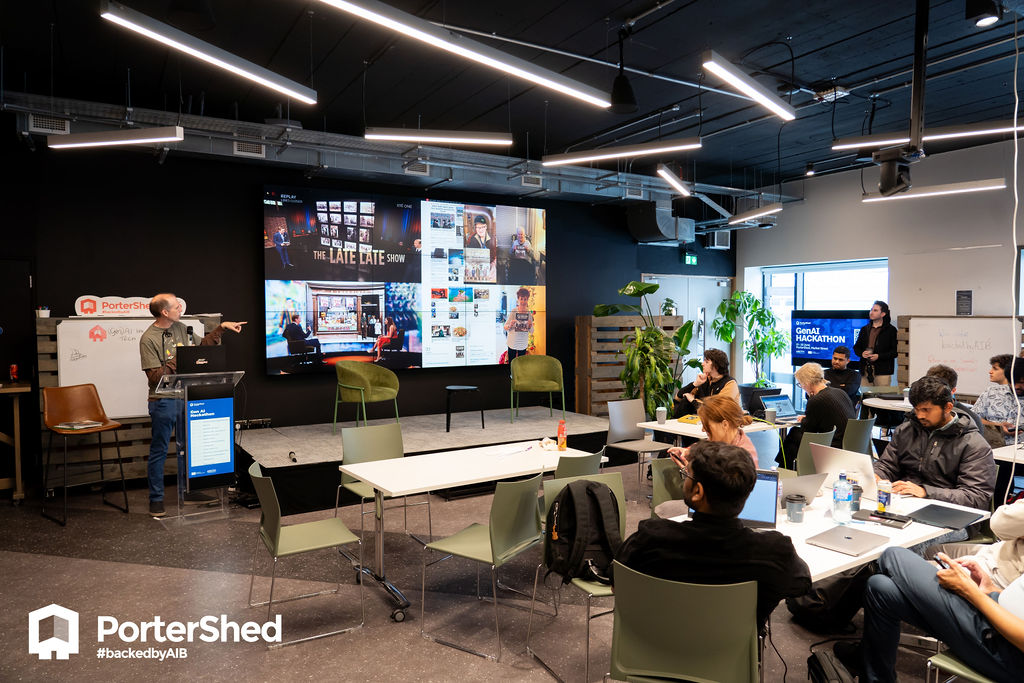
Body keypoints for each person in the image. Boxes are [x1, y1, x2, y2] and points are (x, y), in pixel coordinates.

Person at [615, 440, 811, 630]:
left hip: (652, 653)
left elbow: (617, 581)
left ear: (698, 491)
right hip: (733, 660)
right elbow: (801, 585)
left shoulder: (652, 538)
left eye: (687, 475)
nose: (685, 479)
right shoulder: (774, 552)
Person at [139, 293, 245, 517]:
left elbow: (203, 347)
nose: (181, 308)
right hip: (164, 402)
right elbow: (153, 377)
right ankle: (156, 500)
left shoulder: (181, 328)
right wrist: (179, 358)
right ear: (164, 312)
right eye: (176, 306)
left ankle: (188, 491)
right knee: (159, 450)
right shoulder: (148, 338)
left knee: (188, 449)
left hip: (188, 397)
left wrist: (221, 329)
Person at [855, 546, 1024, 682]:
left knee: (893, 555)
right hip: (997, 614)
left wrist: (971, 592)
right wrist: (992, 590)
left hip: (1004, 646)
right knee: (880, 588)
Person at [874, 375, 995, 512]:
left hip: (953, 516)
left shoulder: (974, 445)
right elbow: (887, 465)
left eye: (926, 410)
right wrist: (877, 475)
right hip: (906, 504)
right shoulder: (905, 431)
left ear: (948, 407)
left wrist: (926, 492)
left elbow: (976, 497)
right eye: (916, 409)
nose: (920, 416)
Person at [929, 497, 1024, 590]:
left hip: (1000, 575)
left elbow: (999, 522)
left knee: (917, 568)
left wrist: (927, 491)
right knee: (930, 550)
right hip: (999, 550)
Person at [782, 362, 853, 466]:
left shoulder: (816, 400)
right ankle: (787, 467)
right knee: (794, 440)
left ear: (807, 382)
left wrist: (804, 420)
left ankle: (784, 467)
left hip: (833, 445)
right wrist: (809, 417)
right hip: (849, 442)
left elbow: (808, 431)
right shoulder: (840, 392)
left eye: (800, 384)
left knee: (793, 434)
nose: (802, 387)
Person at [666, 394, 758, 466]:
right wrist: (686, 452)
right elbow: (702, 447)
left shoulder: (742, 458)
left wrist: (690, 471)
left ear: (725, 424)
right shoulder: (720, 440)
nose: (703, 429)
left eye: (706, 425)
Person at [673, 348, 740, 417]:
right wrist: (695, 384)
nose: (702, 364)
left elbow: (717, 410)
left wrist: (694, 401)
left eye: (706, 362)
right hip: (703, 422)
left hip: (723, 423)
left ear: (716, 366)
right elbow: (678, 397)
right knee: (685, 401)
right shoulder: (706, 380)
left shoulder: (730, 384)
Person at [973, 354, 1022, 447]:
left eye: (995, 369)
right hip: (993, 449)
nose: (990, 372)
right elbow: (973, 417)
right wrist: (997, 426)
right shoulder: (991, 392)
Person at [924, 363, 985, 433]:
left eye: (939, 390)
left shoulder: (971, 420)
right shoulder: (918, 414)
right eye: (930, 388)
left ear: (953, 391)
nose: (933, 394)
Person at [854, 300, 897, 387]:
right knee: (866, 397)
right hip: (865, 369)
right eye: (871, 310)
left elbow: (894, 352)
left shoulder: (891, 330)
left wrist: (879, 356)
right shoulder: (864, 329)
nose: (871, 312)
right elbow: (856, 347)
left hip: (883, 371)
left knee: (882, 397)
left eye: (875, 310)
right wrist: (862, 353)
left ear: (883, 314)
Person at [503, 287, 533, 362]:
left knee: (521, 365)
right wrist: (510, 325)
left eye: (525, 299)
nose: (523, 301)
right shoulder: (514, 311)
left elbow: (532, 331)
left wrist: (530, 326)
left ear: (527, 300)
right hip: (512, 343)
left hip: (522, 344)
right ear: (518, 299)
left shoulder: (529, 313)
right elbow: (505, 327)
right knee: (512, 365)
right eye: (521, 299)